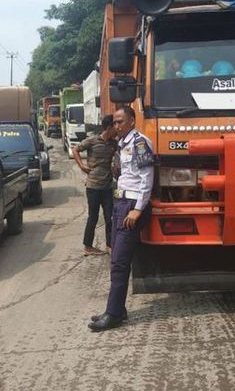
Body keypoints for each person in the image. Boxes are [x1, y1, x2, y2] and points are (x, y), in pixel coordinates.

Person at [88, 106, 154, 332]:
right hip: (120, 203)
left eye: (121, 122)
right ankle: (118, 309)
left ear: (132, 121)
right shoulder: (123, 143)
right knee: (116, 258)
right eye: (114, 122)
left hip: (132, 206)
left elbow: (147, 177)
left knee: (119, 262)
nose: (116, 126)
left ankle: (114, 314)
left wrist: (138, 209)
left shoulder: (140, 143)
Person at [73, 114, 117, 256]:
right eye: (115, 127)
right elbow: (75, 150)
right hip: (93, 187)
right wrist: (81, 166)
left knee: (110, 216)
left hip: (108, 186)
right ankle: (88, 246)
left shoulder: (114, 143)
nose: (116, 130)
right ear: (109, 128)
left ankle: (110, 245)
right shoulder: (92, 141)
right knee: (93, 217)